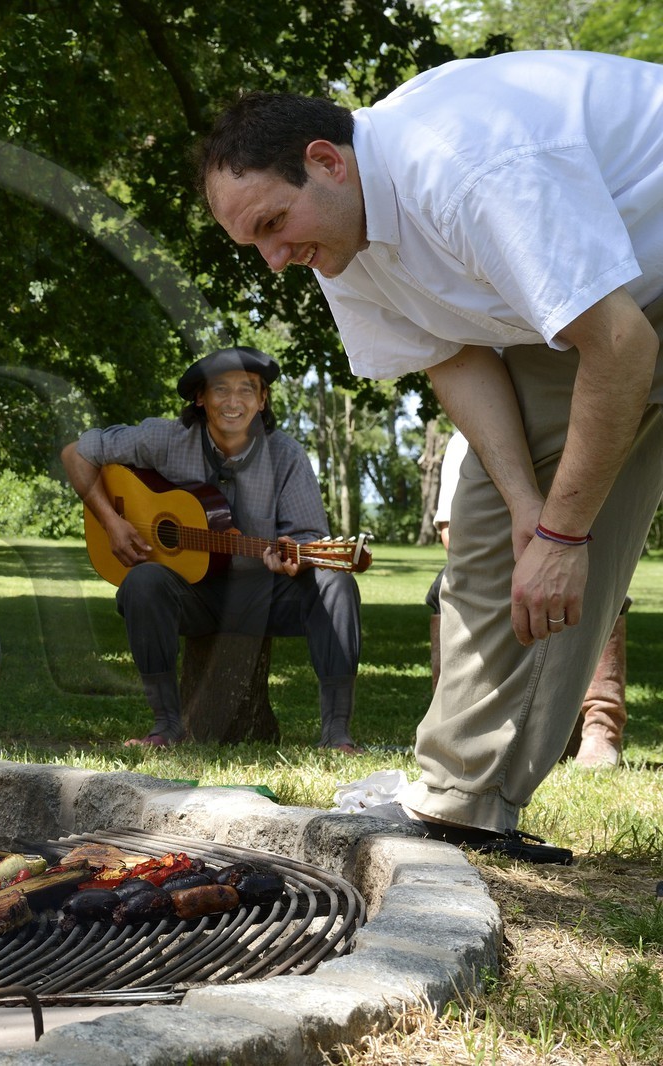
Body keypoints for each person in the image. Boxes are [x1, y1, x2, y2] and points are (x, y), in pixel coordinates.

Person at [199, 50, 663, 862]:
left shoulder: (466, 166)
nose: (274, 261)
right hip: (607, 308)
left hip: (619, 310)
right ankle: (461, 804)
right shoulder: (341, 241)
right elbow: (455, 356)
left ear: (325, 161)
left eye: (274, 225)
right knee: (488, 526)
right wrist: (529, 512)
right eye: (255, 245)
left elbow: (621, 344)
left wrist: (564, 539)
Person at [60, 346, 363, 751]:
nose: (233, 402)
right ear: (200, 398)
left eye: (246, 390)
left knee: (335, 582)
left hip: (261, 593)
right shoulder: (165, 438)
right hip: (192, 594)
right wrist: (112, 523)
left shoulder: (286, 455)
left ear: (262, 400)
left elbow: (308, 538)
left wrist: (293, 556)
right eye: (221, 390)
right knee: (143, 582)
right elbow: (75, 454)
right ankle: (166, 727)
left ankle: (337, 734)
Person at [428, 433, 630, 769]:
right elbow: (452, 531)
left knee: (609, 589)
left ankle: (601, 726)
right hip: (501, 561)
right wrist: (522, 567)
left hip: (572, 553)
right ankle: (463, 723)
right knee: (442, 588)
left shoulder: (573, 428)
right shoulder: (464, 440)